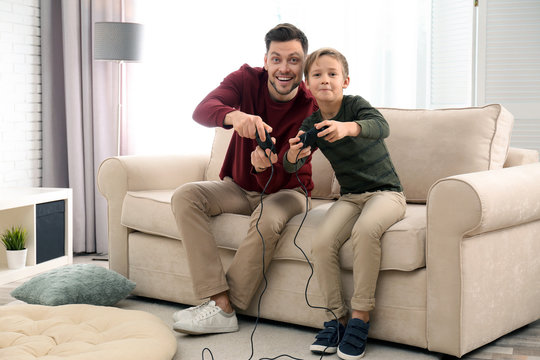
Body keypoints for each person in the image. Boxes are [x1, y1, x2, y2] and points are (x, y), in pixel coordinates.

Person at [170, 23, 318, 335]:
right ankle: (218, 300)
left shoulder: (311, 106)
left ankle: (226, 309)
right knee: (186, 196)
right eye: (276, 58)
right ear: (266, 61)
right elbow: (202, 110)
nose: (284, 68)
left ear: (303, 64)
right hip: (238, 187)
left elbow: (291, 168)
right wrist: (234, 116)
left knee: (267, 219)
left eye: (293, 60)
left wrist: (264, 166)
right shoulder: (246, 79)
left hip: (288, 192)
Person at [283, 48, 406, 359]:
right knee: (322, 243)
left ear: (345, 80)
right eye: (317, 75)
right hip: (350, 196)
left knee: (365, 232)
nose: (325, 79)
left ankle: (359, 319)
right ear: (306, 85)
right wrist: (293, 155)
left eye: (332, 74)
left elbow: (381, 126)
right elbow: (291, 168)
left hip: (386, 192)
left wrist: (347, 127)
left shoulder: (355, 106)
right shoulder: (311, 124)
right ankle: (336, 318)